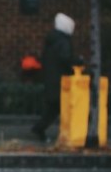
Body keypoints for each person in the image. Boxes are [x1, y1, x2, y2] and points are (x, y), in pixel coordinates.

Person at [31, 12, 77, 142]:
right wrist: (77, 63)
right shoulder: (64, 42)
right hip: (61, 81)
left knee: (53, 109)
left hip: (51, 79)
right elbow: (66, 59)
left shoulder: (51, 40)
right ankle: (43, 129)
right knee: (63, 108)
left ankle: (40, 129)